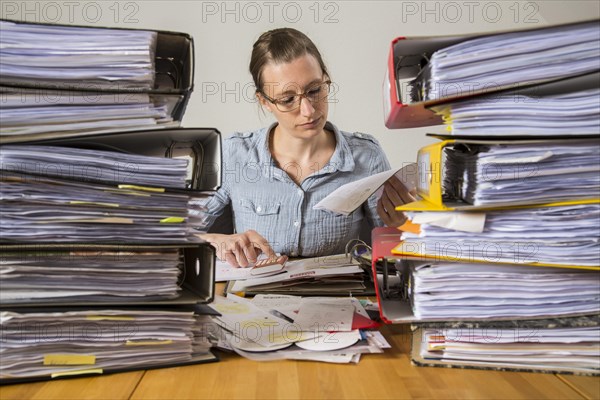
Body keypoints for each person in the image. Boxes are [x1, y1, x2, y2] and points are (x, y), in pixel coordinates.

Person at [199, 28, 414, 267]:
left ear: (325, 79)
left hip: (338, 299)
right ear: (264, 102)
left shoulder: (367, 156)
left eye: (315, 90)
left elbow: (393, 257)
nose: (309, 110)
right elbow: (167, 235)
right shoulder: (234, 154)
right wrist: (215, 240)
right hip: (249, 300)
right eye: (287, 99)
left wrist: (402, 225)